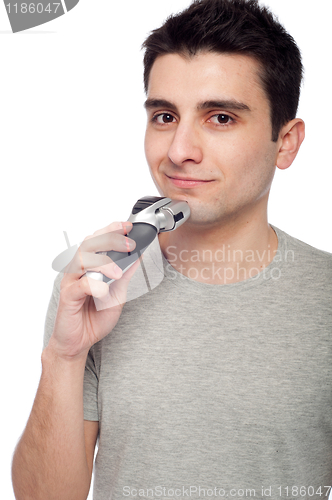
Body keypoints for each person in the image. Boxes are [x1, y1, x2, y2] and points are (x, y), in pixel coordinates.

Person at [12, 0, 332, 499]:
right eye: (164, 115)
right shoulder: (96, 283)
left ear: (286, 142)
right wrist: (64, 356)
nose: (179, 149)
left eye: (220, 117)